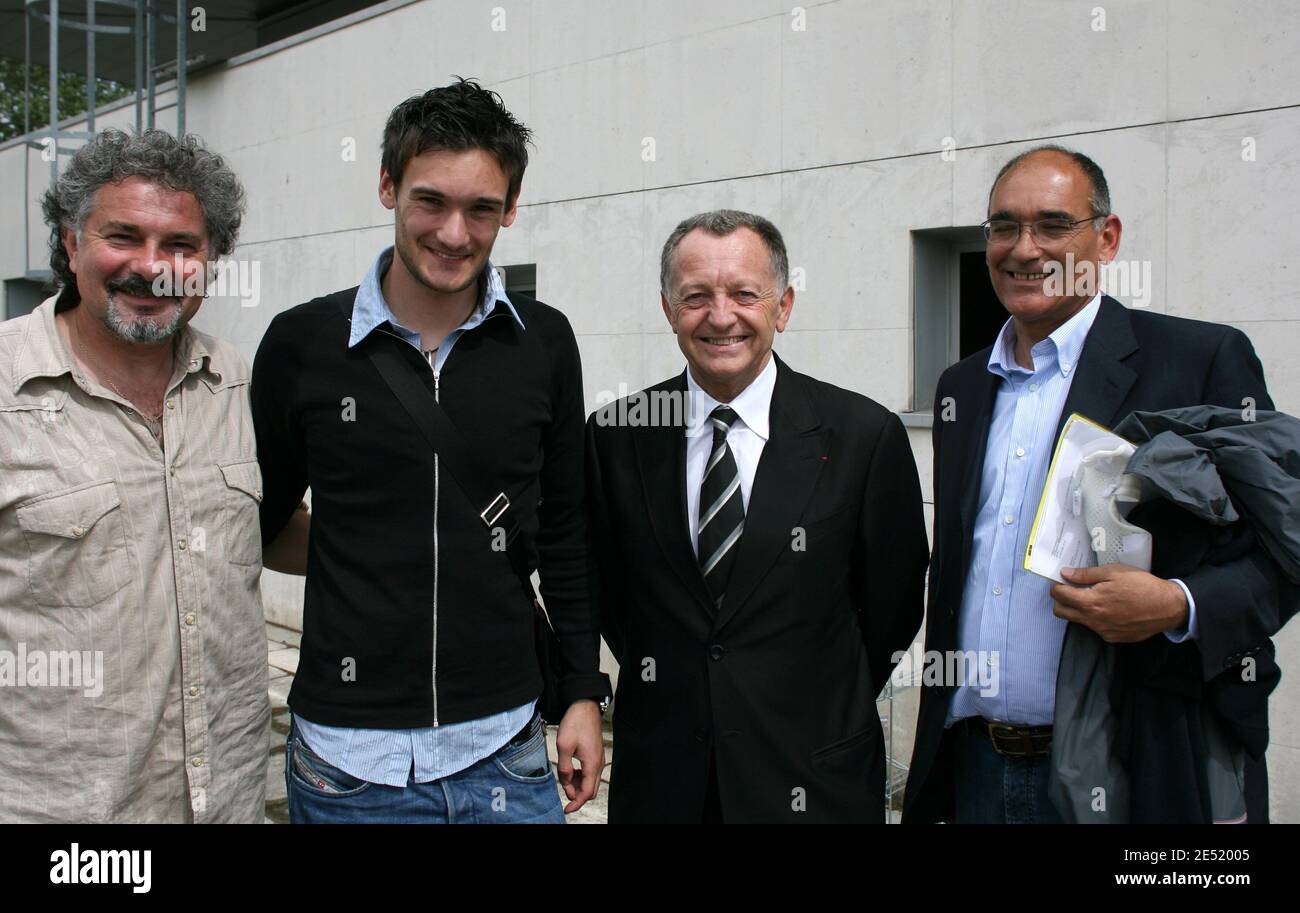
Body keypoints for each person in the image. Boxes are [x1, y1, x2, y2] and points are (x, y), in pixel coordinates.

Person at [251, 79, 611, 824]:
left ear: (511, 208)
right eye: (430, 201)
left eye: (482, 208)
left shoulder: (543, 342)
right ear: (387, 185)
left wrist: (581, 692)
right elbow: (255, 521)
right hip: (348, 765)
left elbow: (566, 534)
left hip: (506, 746)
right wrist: (366, 548)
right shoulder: (303, 343)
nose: (455, 233)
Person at [903, 145, 1294, 823]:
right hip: (973, 768)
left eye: (1053, 225)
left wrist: (1179, 603)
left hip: (1133, 765)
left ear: (1105, 239)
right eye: (1003, 226)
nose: (1024, 248)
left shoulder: (1199, 360)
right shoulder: (961, 386)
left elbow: (1284, 550)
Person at [586, 209, 928, 823]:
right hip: (664, 781)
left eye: (746, 294)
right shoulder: (616, 435)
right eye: (695, 297)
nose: (721, 317)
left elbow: (893, 607)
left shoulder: (862, 435)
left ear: (784, 305)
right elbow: (609, 595)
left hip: (813, 779)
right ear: (668, 309)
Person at [0, 128, 271, 822]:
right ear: (70, 243)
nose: (153, 268)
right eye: (122, 236)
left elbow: (266, 531)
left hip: (228, 795)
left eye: (182, 245)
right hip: (61, 814)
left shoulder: (234, 382)